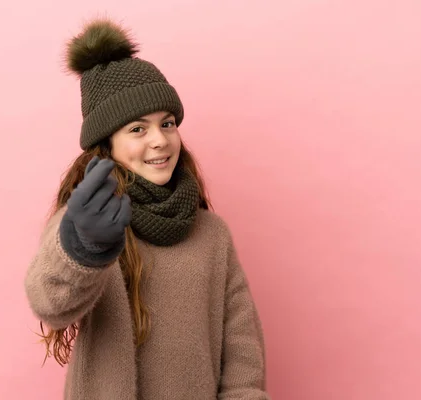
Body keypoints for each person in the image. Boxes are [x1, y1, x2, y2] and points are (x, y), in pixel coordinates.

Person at [24, 18, 270, 400]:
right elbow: (49, 303)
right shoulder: (83, 223)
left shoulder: (211, 234)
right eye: (137, 129)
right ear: (107, 145)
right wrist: (85, 248)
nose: (159, 140)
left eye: (167, 124)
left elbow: (242, 354)